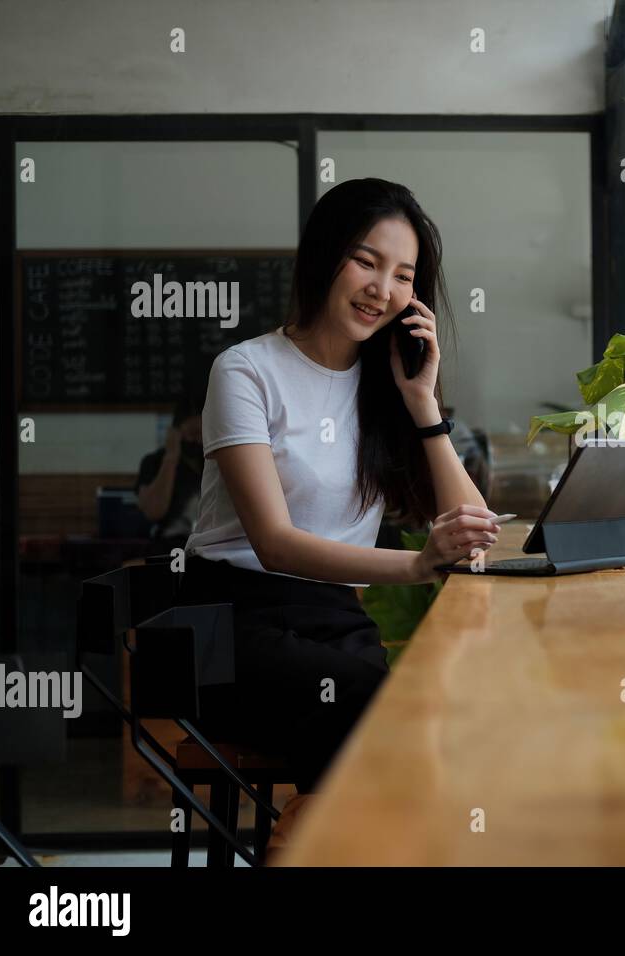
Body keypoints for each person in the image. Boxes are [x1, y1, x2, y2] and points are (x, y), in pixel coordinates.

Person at [178, 178, 501, 800]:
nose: (384, 290)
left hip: (333, 619)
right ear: (324, 255)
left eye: (405, 275)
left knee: (414, 712)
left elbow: (473, 526)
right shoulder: (245, 371)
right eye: (366, 262)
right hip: (231, 624)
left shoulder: (387, 389)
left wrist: (422, 402)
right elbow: (274, 544)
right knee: (374, 713)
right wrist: (417, 563)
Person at [134, 391, 205, 554]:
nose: (199, 440)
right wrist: (171, 457)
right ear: (177, 432)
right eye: (193, 433)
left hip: (210, 544)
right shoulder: (154, 462)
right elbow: (154, 511)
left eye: (204, 433)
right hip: (172, 545)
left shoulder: (214, 461)